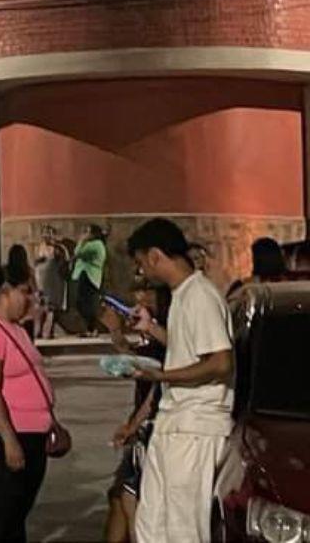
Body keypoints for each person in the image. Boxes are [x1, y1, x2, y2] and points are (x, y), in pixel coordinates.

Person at [127, 218, 234, 543]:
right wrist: (152, 330)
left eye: (142, 263)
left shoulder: (201, 295)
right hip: (173, 425)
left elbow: (220, 362)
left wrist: (161, 375)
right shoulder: (184, 296)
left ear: (156, 255)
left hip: (194, 428)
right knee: (153, 525)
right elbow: (190, 348)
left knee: (183, 529)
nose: (142, 272)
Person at [0, 259, 55, 543]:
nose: (30, 300)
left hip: (32, 434)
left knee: (15, 517)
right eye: (25, 292)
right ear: (6, 291)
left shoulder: (15, 328)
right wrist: (9, 440)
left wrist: (52, 421)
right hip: (5, 435)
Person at [103, 283, 170, 543]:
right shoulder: (154, 332)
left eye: (145, 291)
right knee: (121, 495)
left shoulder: (166, 333)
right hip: (144, 423)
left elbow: (151, 378)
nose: (138, 297)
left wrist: (117, 332)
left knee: (128, 495)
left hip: (158, 428)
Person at [71, 224, 108, 336]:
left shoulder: (95, 244)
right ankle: (90, 329)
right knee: (84, 303)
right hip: (89, 276)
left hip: (88, 276)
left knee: (84, 303)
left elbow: (77, 252)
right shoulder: (96, 244)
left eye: (88, 231)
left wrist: (82, 240)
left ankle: (92, 328)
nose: (85, 234)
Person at [35, 242, 68, 340]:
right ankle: (44, 332)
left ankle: (45, 332)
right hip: (48, 288)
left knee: (49, 311)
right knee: (47, 311)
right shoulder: (49, 261)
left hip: (51, 289)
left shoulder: (58, 263)